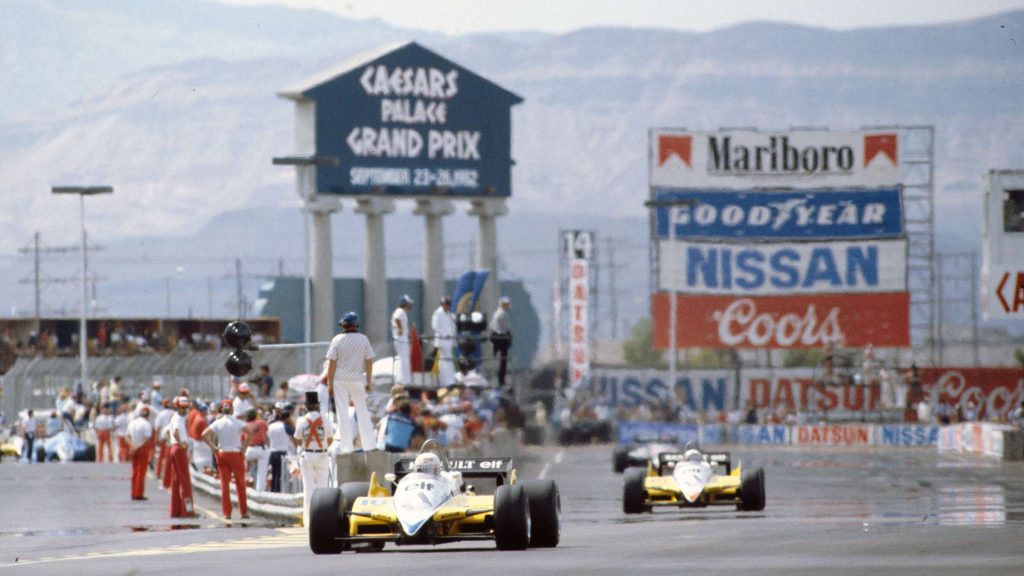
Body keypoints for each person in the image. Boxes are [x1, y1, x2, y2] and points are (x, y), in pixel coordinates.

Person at [323, 312, 376, 453]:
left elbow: (332, 363)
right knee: (362, 411)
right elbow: (369, 361)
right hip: (357, 379)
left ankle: (346, 447)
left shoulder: (337, 339)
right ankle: (369, 444)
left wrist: (329, 383)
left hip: (340, 379)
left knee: (342, 413)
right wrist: (369, 380)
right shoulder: (363, 339)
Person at [294, 390, 334, 527]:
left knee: (308, 489)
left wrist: (307, 445)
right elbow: (330, 439)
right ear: (317, 405)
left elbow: (297, 439)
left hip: (307, 454)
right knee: (323, 488)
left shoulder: (301, 421)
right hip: (322, 454)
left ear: (306, 406)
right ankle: (323, 520)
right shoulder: (325, 420)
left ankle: (308, 521)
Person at [203, 402, 249, 520]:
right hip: (236, 453)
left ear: (222, 410)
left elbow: (204, 434)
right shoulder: (238, 422)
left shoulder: (218, 423)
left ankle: (227, 513)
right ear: (232, 409)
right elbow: (250, 433)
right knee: (240, 484)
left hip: (222, 453)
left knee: (225, 485)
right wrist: (244, 447)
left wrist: (213, 447)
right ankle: (243, 512)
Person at [167, 396, 197, 518]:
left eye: (186, 407)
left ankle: (175, 510)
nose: (184, 410)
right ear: (177, 407)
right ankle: (187, 510)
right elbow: (175, 432)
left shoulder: (175, 417)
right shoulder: (179, 418)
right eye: (182, 408)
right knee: (185, 481)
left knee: (176, 480)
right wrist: (182, 444)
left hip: (174, 448)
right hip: (179, 449)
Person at [126, 405, 154, 501]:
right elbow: (146, 440)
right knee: (141, 472)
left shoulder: (132, 423)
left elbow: (127, 436)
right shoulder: (147, 425)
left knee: (134, 471)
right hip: (142, 449)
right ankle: (138, 493)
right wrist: (138, 447)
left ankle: (133, 492)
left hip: (133, 447)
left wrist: (133, 446)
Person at [267, 403, 295, 493]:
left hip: (272, 451)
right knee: (280, 474)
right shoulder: (285, 426)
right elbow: (293, 434)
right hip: (282, 452)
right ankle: (278, 490)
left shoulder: (270, 426)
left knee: (274, 473)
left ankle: (273, 490)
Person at [431, 296, 457, 388]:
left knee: (446, 360)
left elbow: (452, 326)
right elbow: (435, 326)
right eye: (445, 304)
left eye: (448, 304)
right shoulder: (438, 313)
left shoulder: (449, 314)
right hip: (442, 340)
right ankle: (447, 380)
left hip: (449, 340)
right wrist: (444, 334)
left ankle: (446, 379)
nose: (447, 306)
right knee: (446, 360)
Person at [243, 408, 270, 493]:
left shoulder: (243, 425)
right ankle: (259, 492)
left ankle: (245, 487)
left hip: (249, 450)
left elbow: (242, 440)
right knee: (261, 473)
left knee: (244, 470)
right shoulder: (262, 423)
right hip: (261, 449)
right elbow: (265, 435)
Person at [391, 295, 415, 385]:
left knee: (404, 359)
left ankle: (403, 379)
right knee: (404, 360)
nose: (410, 306)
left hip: (401, 338)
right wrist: (400, 328)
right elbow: (397, 319)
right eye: (409, 304)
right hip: (400, 338)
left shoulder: (401, 312)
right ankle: (405, 381)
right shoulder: (400, 311)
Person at [489, 296, 513, 387]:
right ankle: (500, 380)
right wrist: (509, 335)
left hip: (496, 337)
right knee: (502, 360)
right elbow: (505, 327)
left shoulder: (497, 313)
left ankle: (499, 378)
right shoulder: (501, 314)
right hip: (500, 338)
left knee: (499, 359)